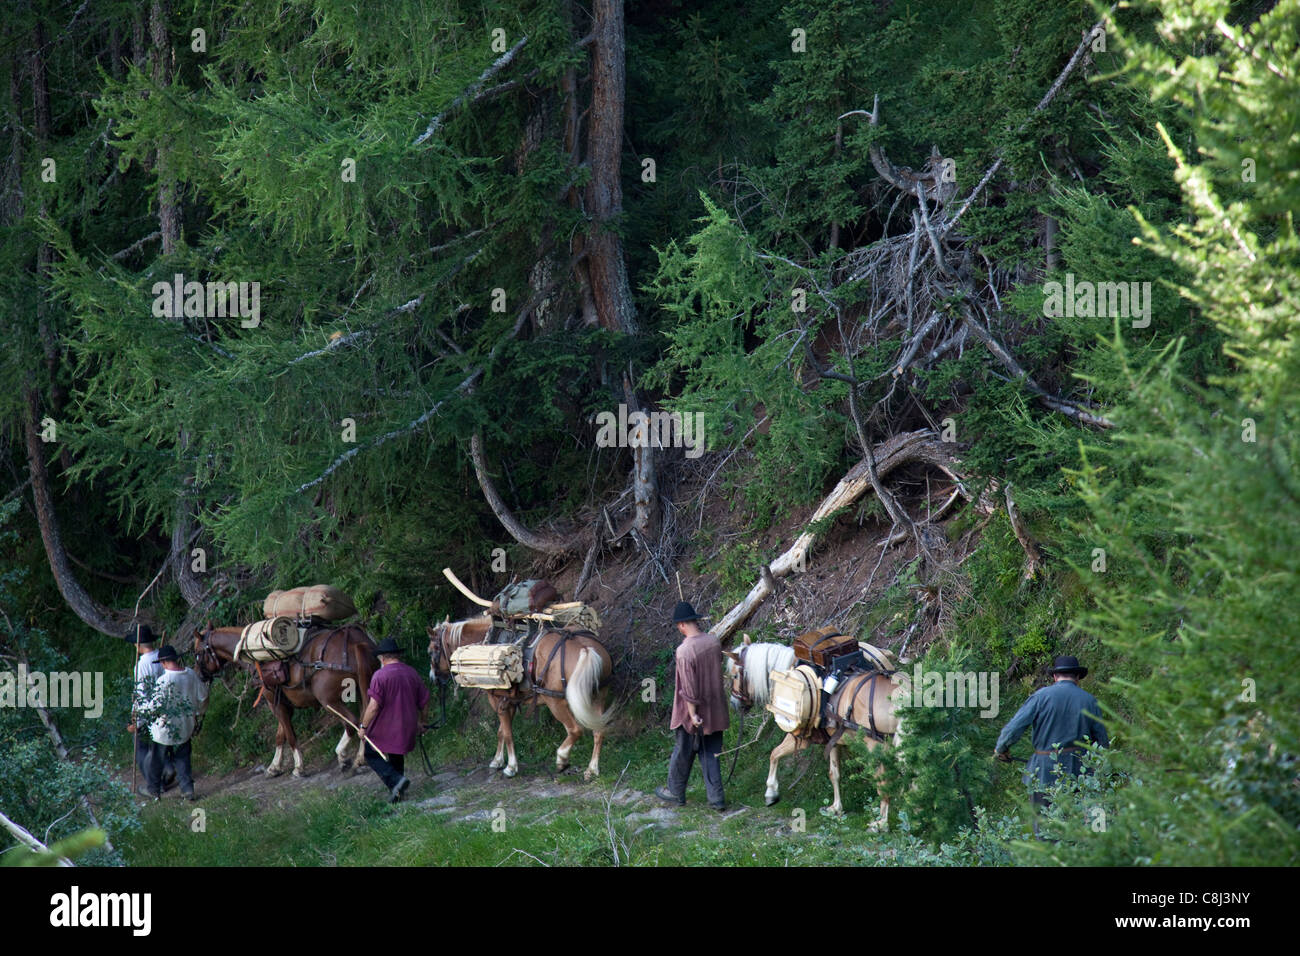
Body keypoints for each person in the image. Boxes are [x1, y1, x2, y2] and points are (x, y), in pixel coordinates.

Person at [994, 655, 1109, 835]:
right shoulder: (1089, 700)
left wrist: (1002, 749)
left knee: (1045, 828)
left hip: (1044, 772)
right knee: (1083, 826)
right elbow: (1102, 741)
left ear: (1055, 677)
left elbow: (1014, 728)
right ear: (1077, 677)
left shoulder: (1040, 697)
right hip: (1081, 771)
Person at [655, 601, 729, 812]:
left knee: (683, 750)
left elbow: (688, 689)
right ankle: (717, 799)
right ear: (695, 620)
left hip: (693, 713)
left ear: (681, 626)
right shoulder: (714, 642)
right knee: (711, 753)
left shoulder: (684, 651)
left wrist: (693, 714)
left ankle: (675, 792)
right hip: (716, 710)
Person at [357, 637, 429, 802]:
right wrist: (422, 722)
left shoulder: (380, 676)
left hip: (386, 727)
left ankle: (396, 780)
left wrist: (363, 727)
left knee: (370, 752)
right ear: (397, 655)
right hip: (408, 727)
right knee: (396, 754)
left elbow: (373, 706)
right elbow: (425, 700)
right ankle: (398, 794)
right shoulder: (412, 673)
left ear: (382, 658)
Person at [145, 644, 209, 801]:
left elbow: (154, 707)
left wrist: (141, 708)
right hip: (185, 726)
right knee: (183, 759)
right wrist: (198, 712)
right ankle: (188, 790)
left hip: (163, 730)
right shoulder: (191, 675)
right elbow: (203, 696)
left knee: (157, 761)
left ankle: (154, 790)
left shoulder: (164, 681)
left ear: (163, 662)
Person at [126, 624, 174, 796]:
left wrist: (136, 721)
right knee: (159, 745)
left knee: (142, 750)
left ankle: (155, 785)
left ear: (138, 645)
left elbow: (141, 694)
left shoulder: (141, 665)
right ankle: (168, 768)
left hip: (148, 712)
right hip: (166, 708)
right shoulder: (163, 657)